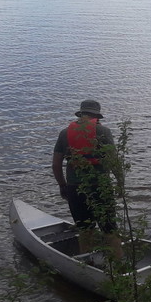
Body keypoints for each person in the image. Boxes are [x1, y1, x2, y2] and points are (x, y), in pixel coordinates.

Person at [51, 99, 122, 256]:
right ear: (96, 116)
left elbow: (56, 165)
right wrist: (120, 185)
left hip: (75, 189)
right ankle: (120, 269)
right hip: (101, 187)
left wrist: (62, 185)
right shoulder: (103, 132)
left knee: (85, 230)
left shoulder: (64, 133)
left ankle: (88, 264)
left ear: (81, 114)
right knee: (110, 230)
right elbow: (115, 162)